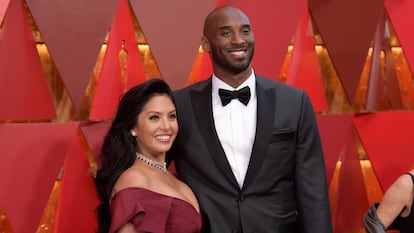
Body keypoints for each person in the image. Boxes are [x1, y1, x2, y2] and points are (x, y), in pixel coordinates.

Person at [168, 5, 332, 233]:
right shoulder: (179, 106)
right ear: (206, 44)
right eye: (226, 33)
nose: (238, 40)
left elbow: (313, 192)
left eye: (245, 31)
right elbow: (153, 169)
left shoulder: (294, 102)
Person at [94, 79, 201, 233]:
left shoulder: (174, 176)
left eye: (171, 116)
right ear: (133, 127)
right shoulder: (134, 178)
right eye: (154, 118)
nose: (166, 126)